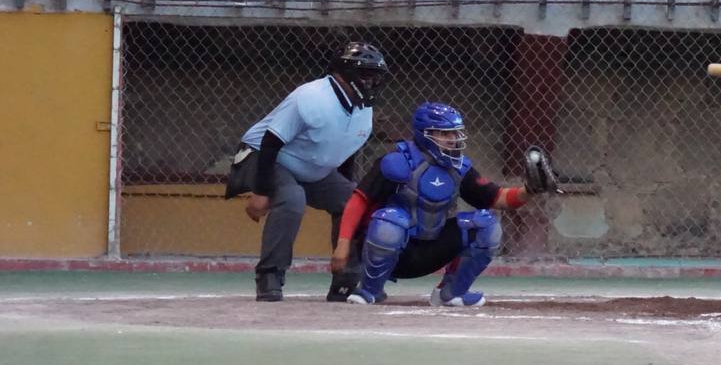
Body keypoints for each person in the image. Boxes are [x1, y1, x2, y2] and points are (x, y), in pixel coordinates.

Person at [332, 102, 554, 306]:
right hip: (394, 250)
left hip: (431, 249)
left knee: (485, 224)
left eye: (454, 133)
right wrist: (343, 245)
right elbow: (358, 201)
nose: (453, 139)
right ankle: (370, 290)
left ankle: (451, 293)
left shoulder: (459, 168)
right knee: (391, 219)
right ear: (425, 135)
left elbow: (498, 198)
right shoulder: (396, 162)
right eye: (444, 133)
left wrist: (530, 190)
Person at [224, 42, 389, 302]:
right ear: (342, 74)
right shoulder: (311, 97)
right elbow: (270, 143)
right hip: (260, 157)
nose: (370, 82)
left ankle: (346, 282)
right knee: (292, 198)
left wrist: (346, 197)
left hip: (309, 167)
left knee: (353, 201)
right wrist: (261, 191)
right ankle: (270, 276)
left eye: (374, 76)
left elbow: (344, 155)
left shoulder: (363, 110)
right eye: (365, 74)